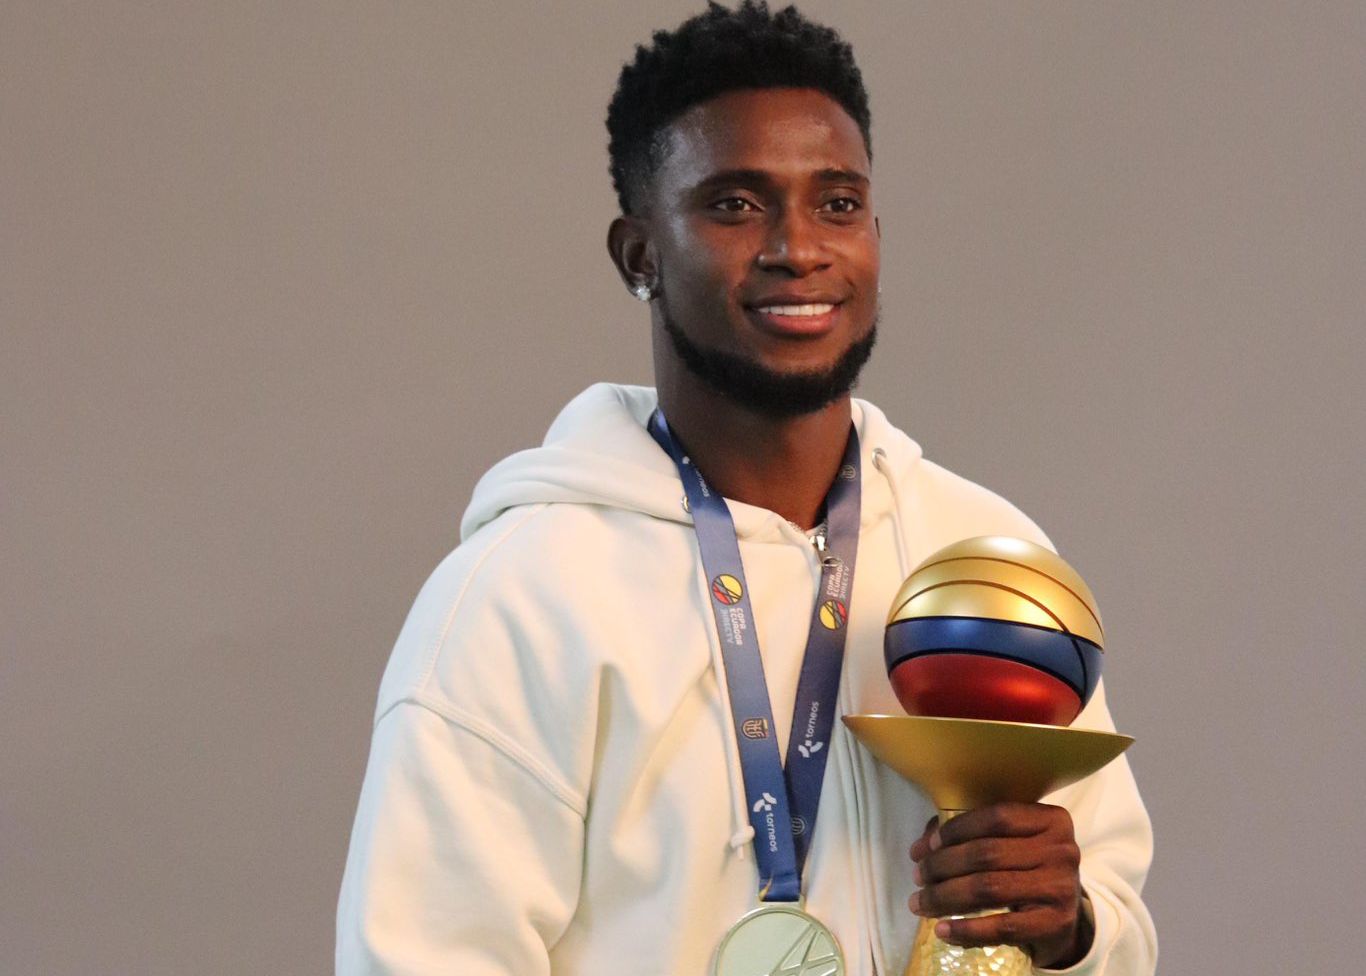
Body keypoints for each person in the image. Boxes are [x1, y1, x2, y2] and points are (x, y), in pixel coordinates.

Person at [336, 3, 1156, 974]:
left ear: (876, 233)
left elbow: (1116, 920)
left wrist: (1073, 931)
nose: (797, 248)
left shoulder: (979, 559)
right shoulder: (524, 598)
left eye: (837, 203)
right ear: (639, 254)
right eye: (734, 204)